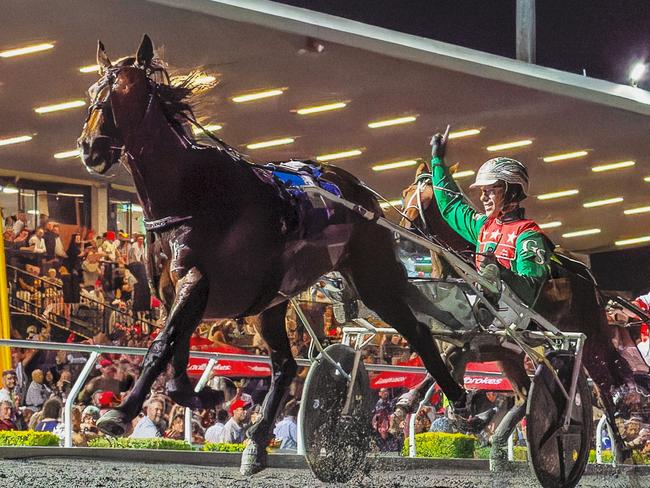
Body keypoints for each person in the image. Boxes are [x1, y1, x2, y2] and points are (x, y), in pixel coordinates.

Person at [429, 129, 552, 305]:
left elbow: (530, 291)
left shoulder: (528, 235)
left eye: (490, 191)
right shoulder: (483, 226)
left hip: (518, 321)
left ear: (511, 191)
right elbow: (451, 205)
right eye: (482, 192)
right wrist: (438, 161)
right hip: (488, 313)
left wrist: (498, 270)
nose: (482, 198)